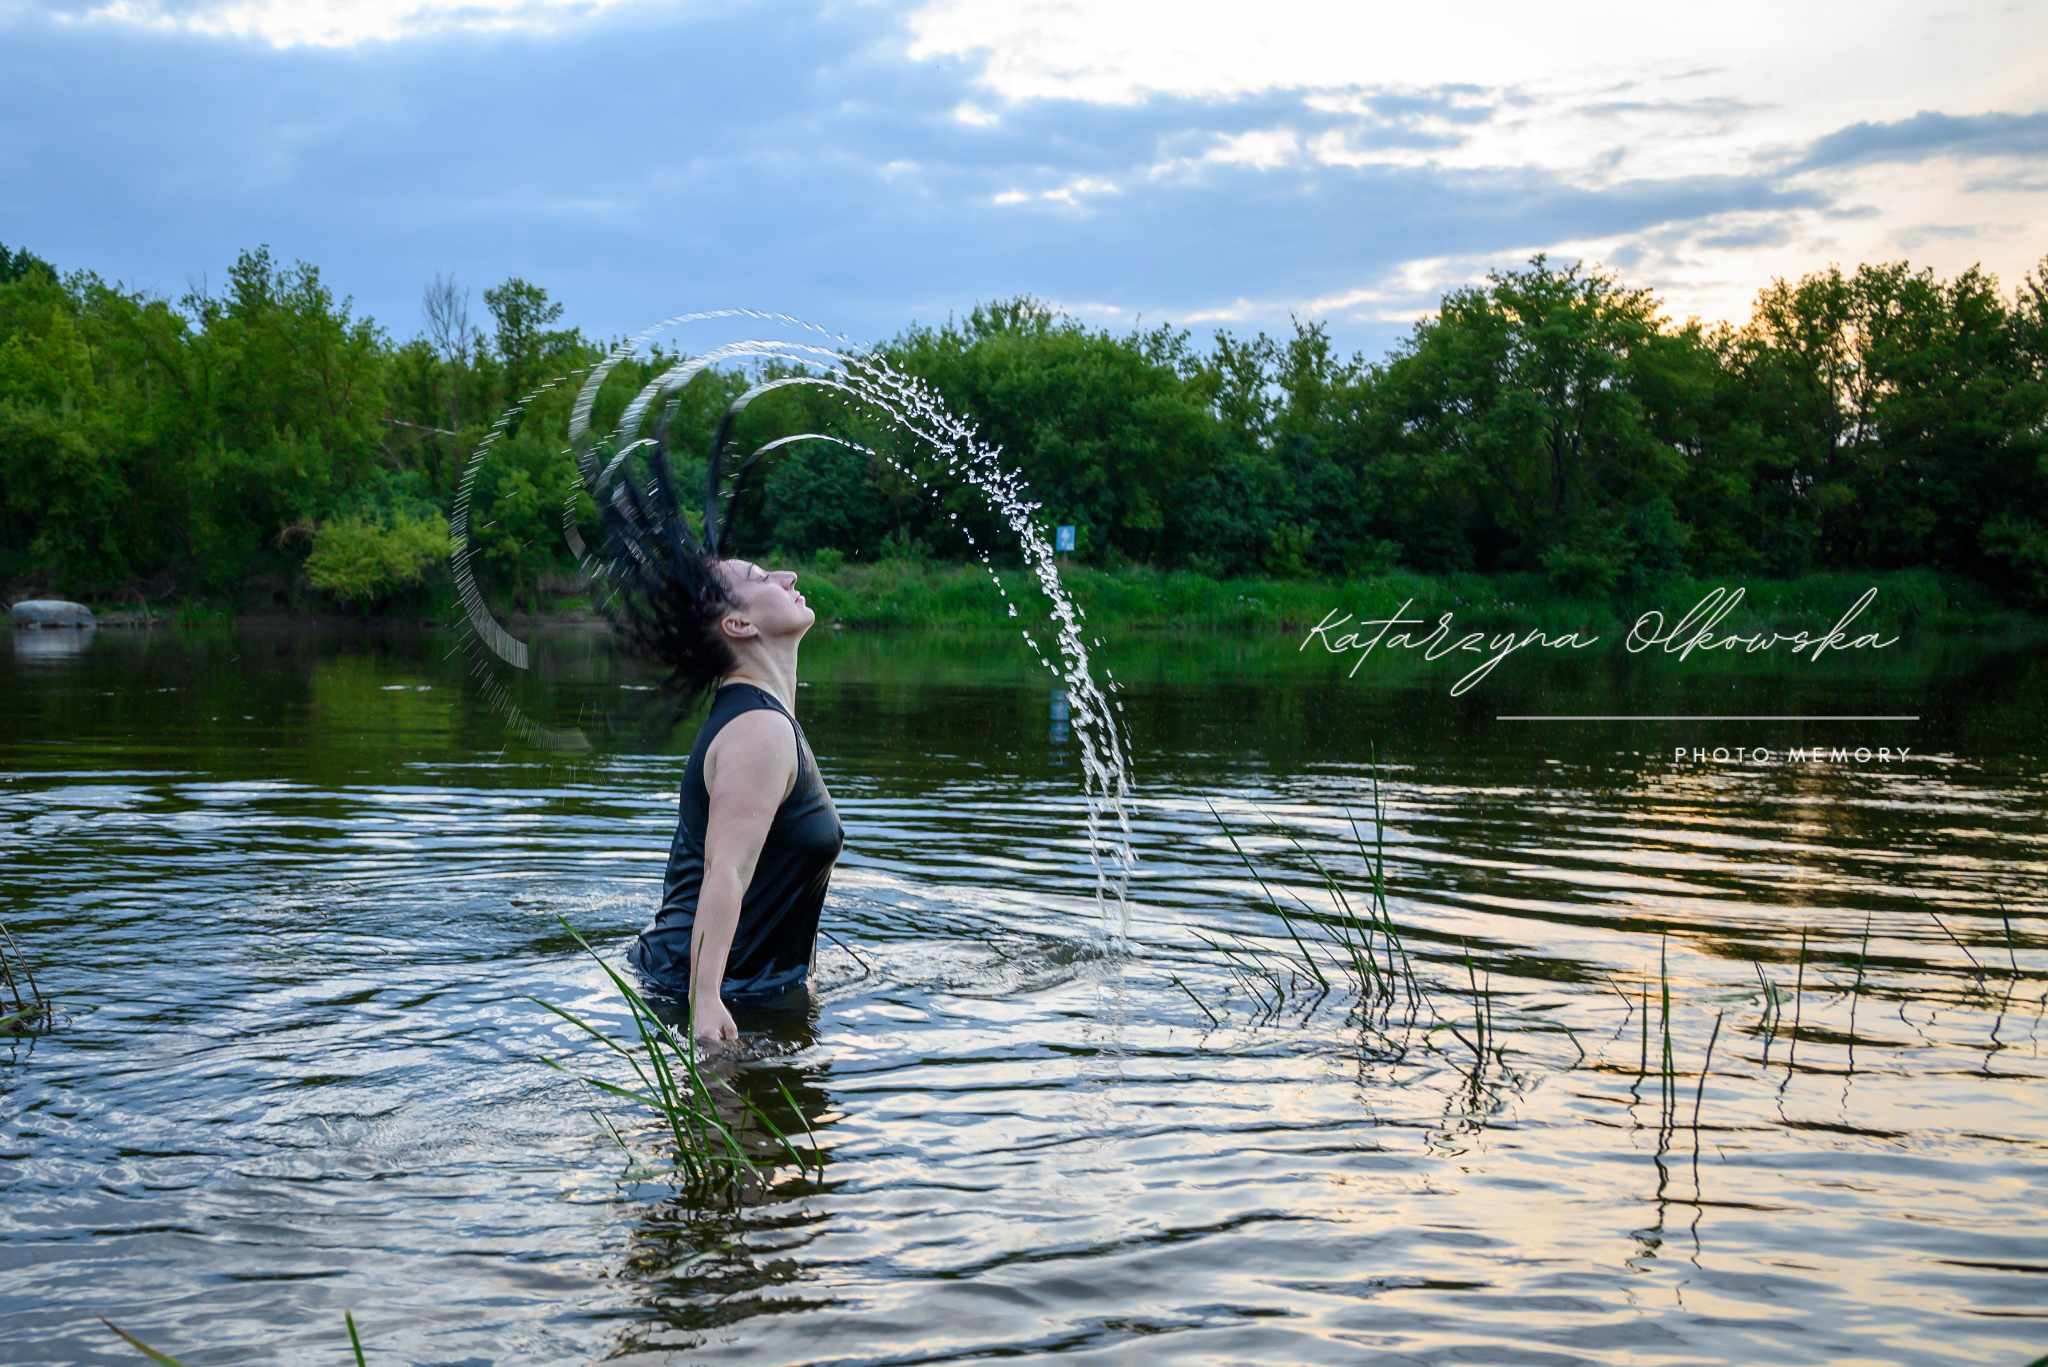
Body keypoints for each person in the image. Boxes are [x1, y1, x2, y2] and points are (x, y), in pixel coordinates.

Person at [622, 553, 846, 1048]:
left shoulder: (762, 718)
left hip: (745, 990)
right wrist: (704, 1002)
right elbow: (725, 871)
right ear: (739, 624)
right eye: (761, 578)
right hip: (709, 997)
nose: (788, 577)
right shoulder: (757, 730)